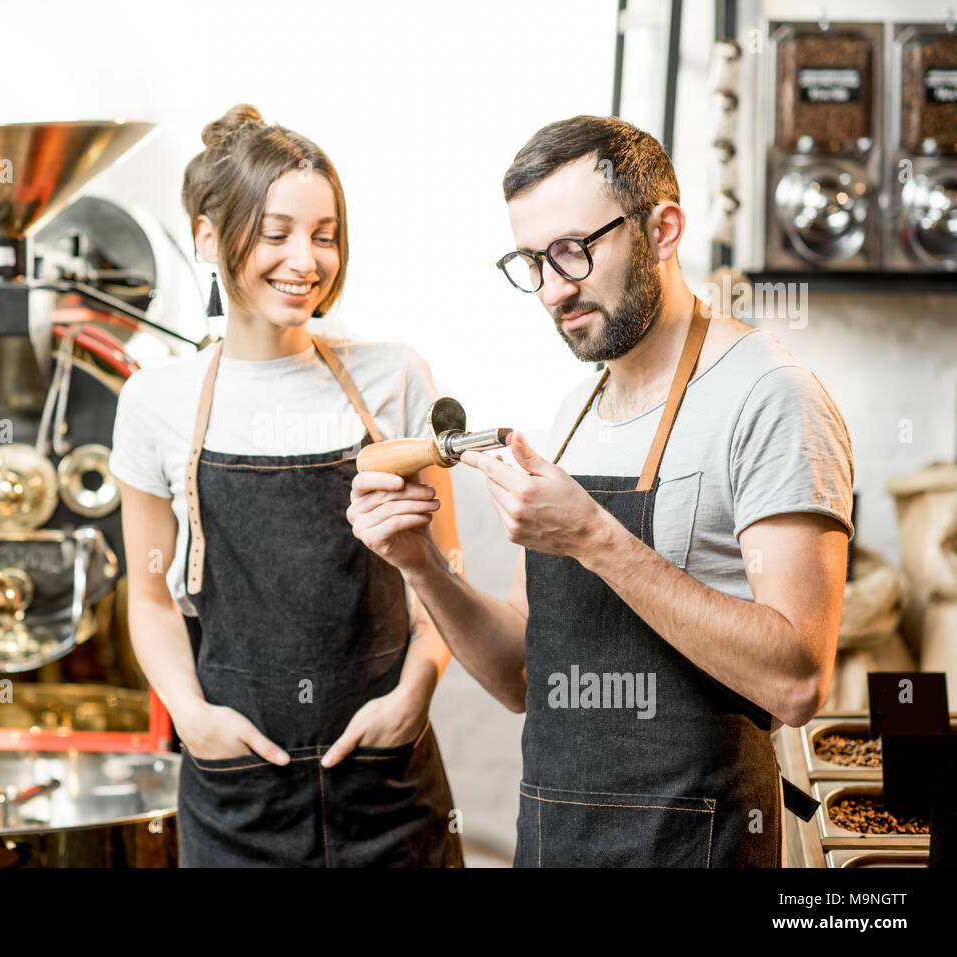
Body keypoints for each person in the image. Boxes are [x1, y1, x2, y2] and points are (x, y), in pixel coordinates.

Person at [348, 115, 854, 867]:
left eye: (572, 252)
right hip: (558, 845)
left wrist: (591, 534)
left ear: (663, 229)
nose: (553, 289)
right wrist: (419, 561)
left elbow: (796, 679)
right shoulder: (576, 411)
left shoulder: (770, 397)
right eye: (531, 263)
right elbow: (523, 670)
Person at [109, 104, 463, 867]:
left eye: (325, 233)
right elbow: (148, 596)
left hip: (389, 789)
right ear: (209, 237)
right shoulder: (155, 403)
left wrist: (413, 696)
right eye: (275, 233)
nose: (305, 259)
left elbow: (447, 578)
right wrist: (193, 716)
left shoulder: (394, 377)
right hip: (237, 797)